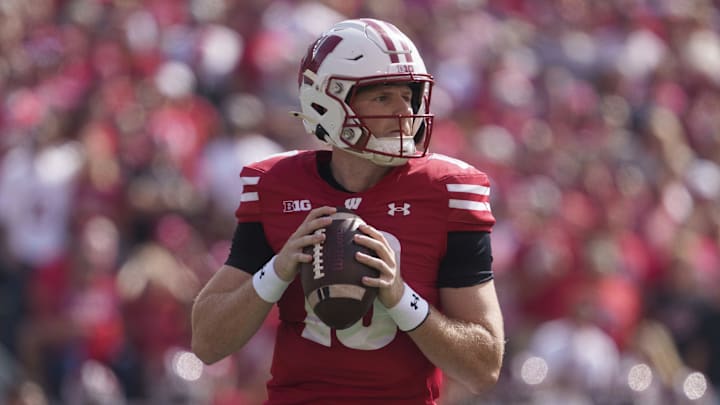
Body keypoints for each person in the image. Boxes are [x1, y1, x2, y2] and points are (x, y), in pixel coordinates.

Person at [191, 18, 505, 404]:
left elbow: (484, 367)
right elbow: (206, 343)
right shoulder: (277, 186)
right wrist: (276, 270)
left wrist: (400, 298)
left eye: (409, 95)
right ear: (328, 100)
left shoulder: (446, 191)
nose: (405, 112)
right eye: (383, 97)